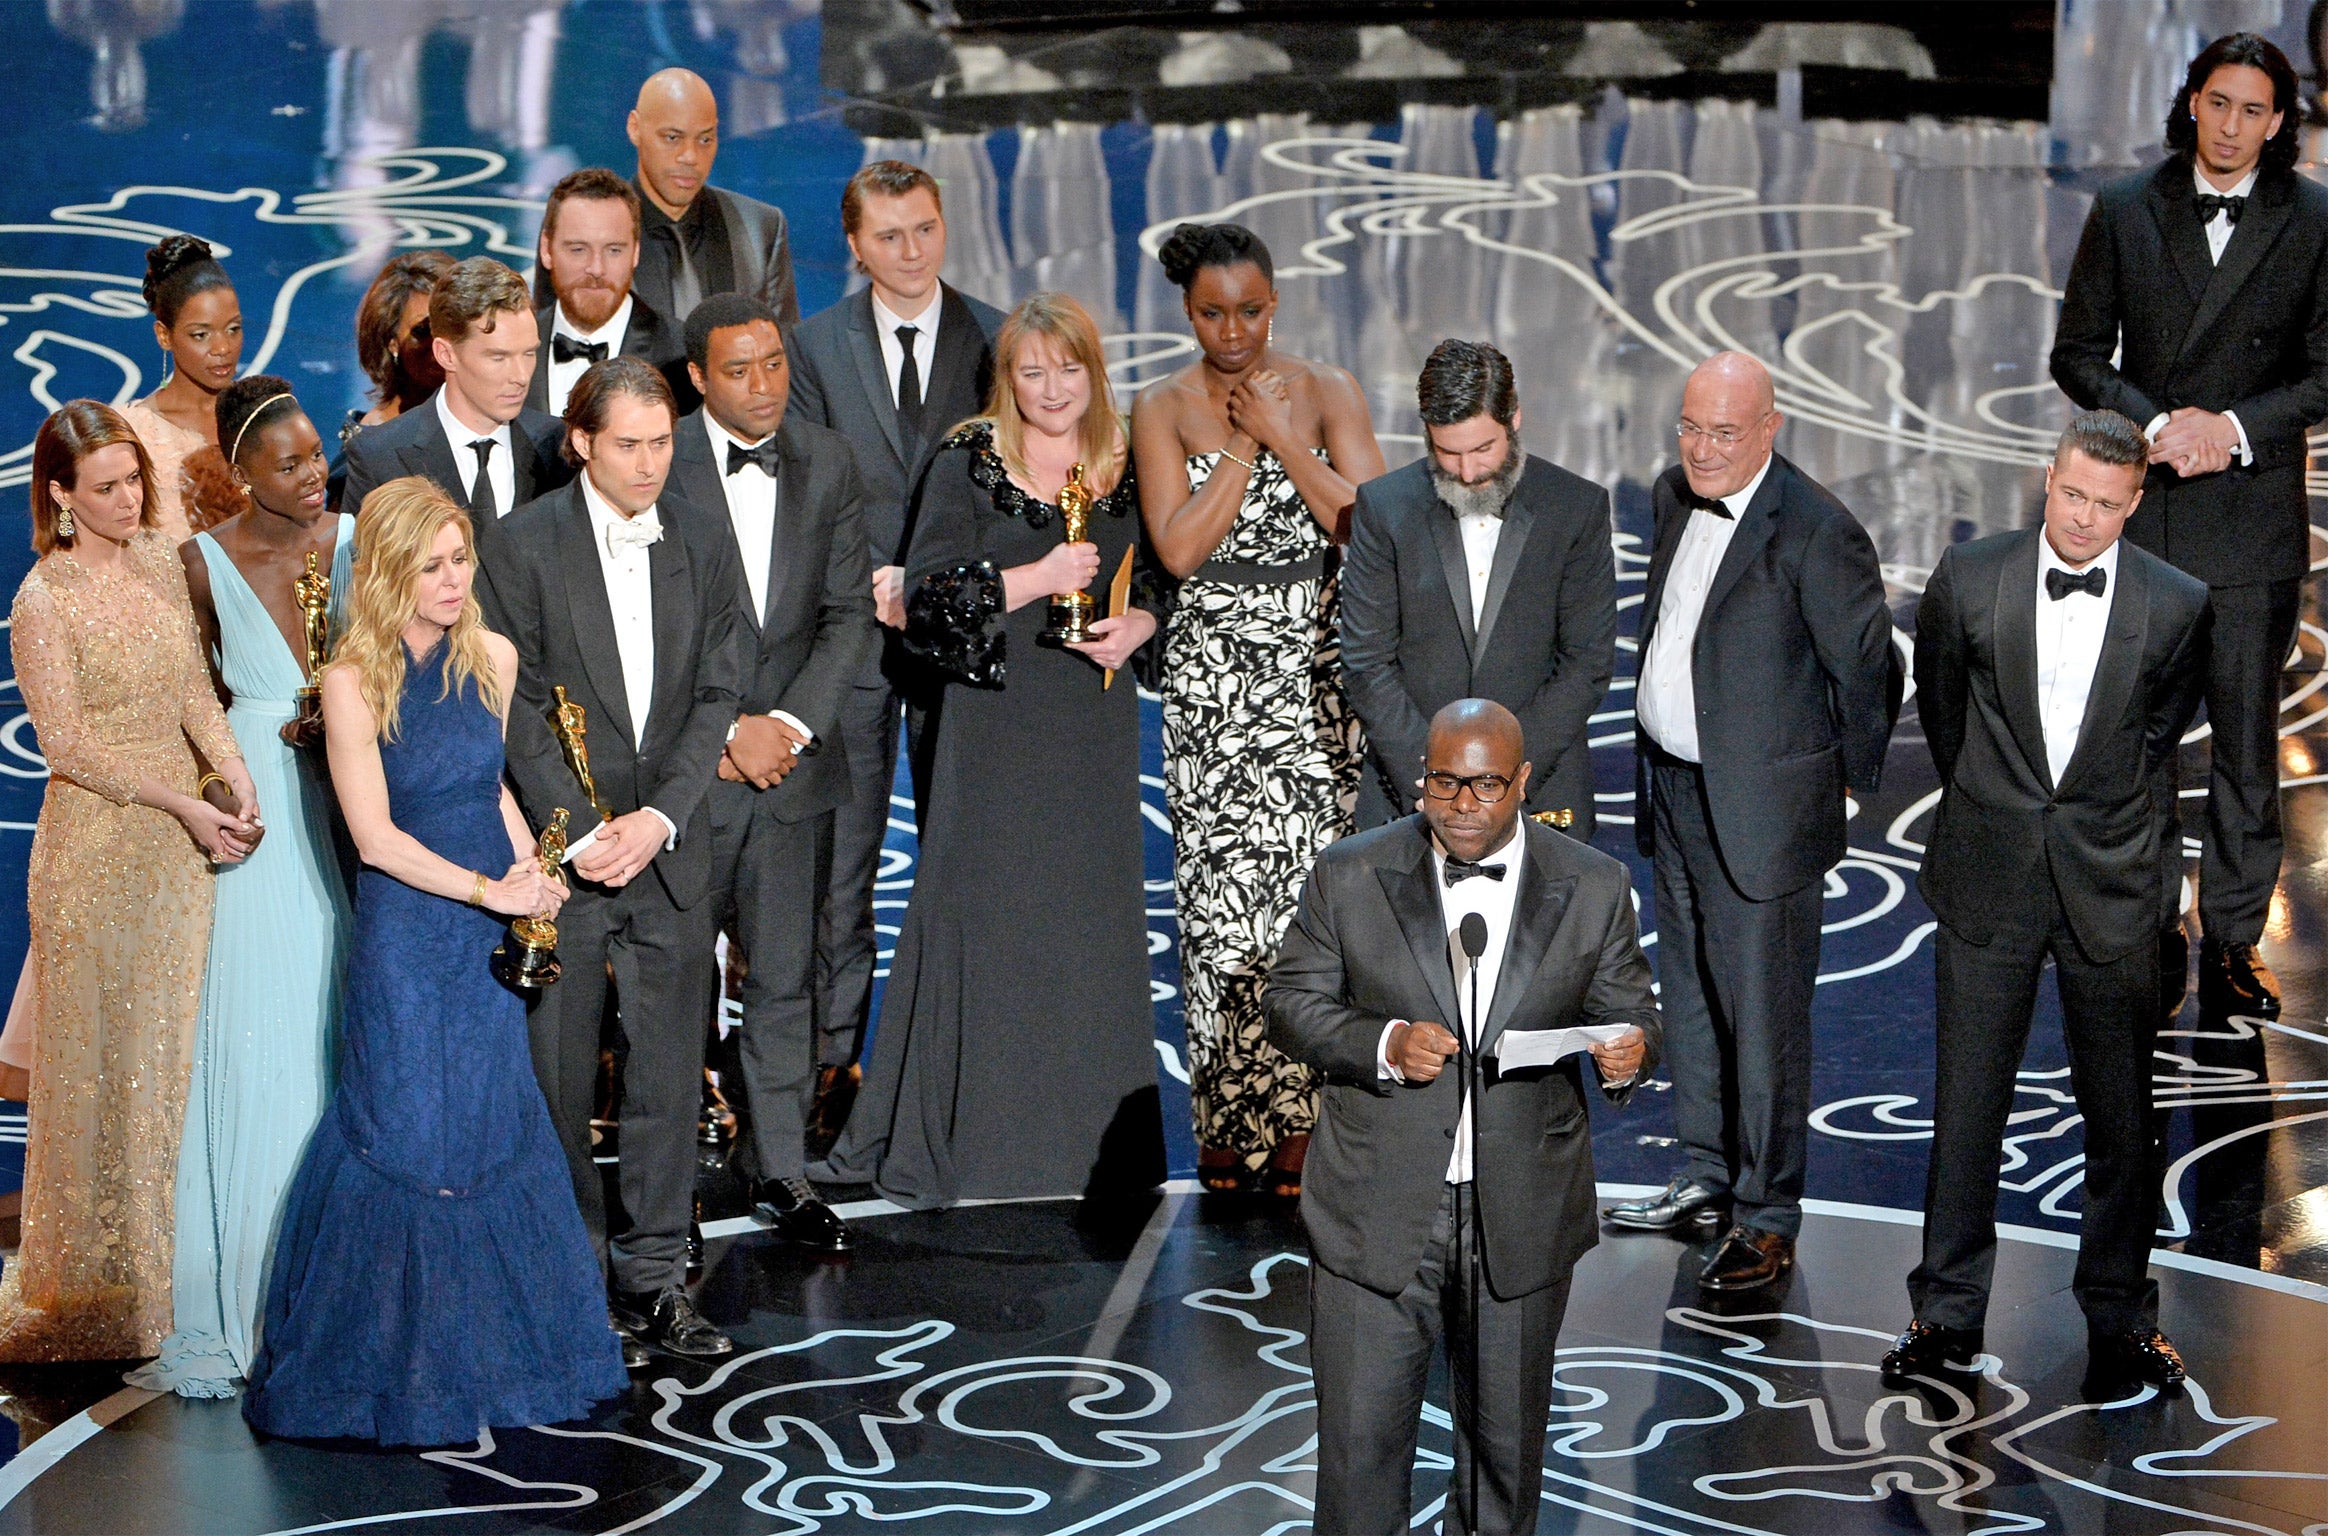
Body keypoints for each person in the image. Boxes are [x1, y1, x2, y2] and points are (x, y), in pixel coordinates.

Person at [241, 477, 627, 1445]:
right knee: (406, 1135)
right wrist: (485, 890)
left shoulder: (491, 658)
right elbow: (374, 839)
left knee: (489, 1132)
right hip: (408, 941)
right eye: (434, 564)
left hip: (484, 938)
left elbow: (486, 789)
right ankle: (390, 1375)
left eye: (462, 560)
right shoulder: (348, 683)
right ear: (386, 571)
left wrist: (529, 875)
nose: (455, 580)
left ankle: (488, 1366)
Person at [1265, 699, 1658, 1536]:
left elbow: (1633, 1011)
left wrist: (1632, 1053)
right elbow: (1290, 1004)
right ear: (1421, 781)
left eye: (1484, 784)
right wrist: (1384, 1041)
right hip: (1376, 1206)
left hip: (1519, 1213)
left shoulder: (1592, 883)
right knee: (1358, 1461)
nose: (1463, 804)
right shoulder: (1351, 872)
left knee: (1504, 1467)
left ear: (1521, 782)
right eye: (1445, 782)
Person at [813, 293, 1168, 1209]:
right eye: (1032, 371)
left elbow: (1168, 577)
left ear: (1095, 369)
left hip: (1088, 725)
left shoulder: (1129, 459)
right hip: (993, 722)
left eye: (1069, 368)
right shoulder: (970, 459)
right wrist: (1037, 578)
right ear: (1008, 380)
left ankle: (1086, 1147)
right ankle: (973, 1143)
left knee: (1083, 919)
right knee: (985, 913)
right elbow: (924, 598)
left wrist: (1138, 626)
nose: (1054, 389)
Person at [1886, 410, 2209, 1392]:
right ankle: (1944, 1315)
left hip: (2111, 883)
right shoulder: (1969, 578)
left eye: (2108, 505)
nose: (2085, 519)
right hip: (1989, 872)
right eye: (2074, 495)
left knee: (2121, 1120)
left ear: (2135, 502)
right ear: (2047, 479)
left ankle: (2118, 1317)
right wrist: (1999, 805)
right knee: (1966, 1107)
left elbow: (2161, 738)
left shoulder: (2177, 602)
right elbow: (1944, 712)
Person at [1601, 351, 1900, 1292]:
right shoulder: (1670, 495)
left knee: (1765, 1023)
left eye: (1724, 432)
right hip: (1675, 791)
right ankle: (1705, 1176)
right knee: (1688, 995)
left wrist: (1838, 792)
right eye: (1690, 428)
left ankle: (1767, 1214)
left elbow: (1870, 674)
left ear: (1772, 427)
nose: (1701, 449)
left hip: (1764, 813)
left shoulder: (1819, 532)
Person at [2050, 31, 2328, 1020]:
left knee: (2248, 747)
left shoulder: (2314, 218)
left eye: (2254, 110)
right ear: (2193, 102)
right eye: (2219, 103)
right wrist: (2162, 423)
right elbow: (2078, 353)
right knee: (2140, 744)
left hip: (2252, 521)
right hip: (2154, 512)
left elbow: (2326, 370)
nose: (2232, 126)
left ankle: (2238, 938)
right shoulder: (2130, 209)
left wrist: (2237, 429)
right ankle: (2149, 928)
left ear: (2280, 121)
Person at [482, 356, 746, 1360]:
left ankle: (657, 1282)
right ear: (581, 442)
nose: (648, 464)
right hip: (566, 860)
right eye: (627, 444)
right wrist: (586, 827)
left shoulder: (704, 534)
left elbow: (719, 693)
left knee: (669, 1079)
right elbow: (511, 697)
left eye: (663, 443)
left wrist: (663, 818)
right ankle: (574, 1286)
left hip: (670, 854)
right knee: (557, 1076)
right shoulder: (522, 546)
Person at [1131, 220, 1385, 1198]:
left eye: (1249, 310)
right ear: (1186, 312)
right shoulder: (1161, 409)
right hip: (1213, 689)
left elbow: (1368, 524)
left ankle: (1301, 1123)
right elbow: (1181, 551)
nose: (1232, 330)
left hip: (1312, 681)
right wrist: (1241, 441)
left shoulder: (1328, 393)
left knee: (1309, 908)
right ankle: (1229, 1119)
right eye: (1210, 312)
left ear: (1275, 302)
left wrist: (1285, 434)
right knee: (1220, 917)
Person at [0, 401, 257, 1362]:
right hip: (96, 853)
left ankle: (173, 1277)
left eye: (134, 480)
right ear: (59, 496)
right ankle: (94, 1285)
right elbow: (67, 748)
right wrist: (184, 803)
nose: (127, 500)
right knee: (101, 1071)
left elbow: (196, 690)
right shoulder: (42, 600)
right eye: (103, 488)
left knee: (171, 1061)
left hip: (174, 854)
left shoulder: (156, 563)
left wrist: (232, 773)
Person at [127, 380, 354, 1399]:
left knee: (343, 1030)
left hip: (357, 808)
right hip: (262, 816)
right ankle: (261, 1294)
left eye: (317, 457)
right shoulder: (199, 564)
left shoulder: (356, 543)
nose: (312, 477)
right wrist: (222, 779)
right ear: (241, 472)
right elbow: (191, 703)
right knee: (265, 1040)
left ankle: (348, 1294)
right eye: (289, 464)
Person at [786, 159, 1005, 1152]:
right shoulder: (814, 347)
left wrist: (937, 582)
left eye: (924, 230)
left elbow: (1018, 493)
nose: (910, 251)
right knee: (845, 867)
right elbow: (804, 491)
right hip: (860, 647)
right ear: (854, 245)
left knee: (970, 855)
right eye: (889, 236)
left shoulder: (999, 340)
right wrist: (874, 576)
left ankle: (969, 1064)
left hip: (964, 642)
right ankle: (835, 1064)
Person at [667, 293, 876, 1247]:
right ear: (699, 378)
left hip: (791, 771)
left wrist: (786, 725)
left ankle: (781, 1170)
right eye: (738, 371)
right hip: (684, 776)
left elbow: (845, 615)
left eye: (775, 365)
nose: (762, 387)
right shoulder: (656, 459)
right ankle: (664, 1176)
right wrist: (723, 735)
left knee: (787, 978)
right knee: (670, 981)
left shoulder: (829, 460)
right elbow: (646, 632)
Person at [1341, 339, 1616, 834]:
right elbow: (1366, 663)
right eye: (1448, 452)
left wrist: (1501, 778)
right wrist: (1437, 782)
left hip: (1541, 794)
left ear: (1514, 419)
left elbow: (1587, 664)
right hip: (1413, 798)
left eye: (1482, 449)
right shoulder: (1385, 508)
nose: (1467, 472)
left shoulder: (1576, 508)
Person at [341, 256, 571, 569]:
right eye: (498, 357)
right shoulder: (380, 459)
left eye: (528, 353)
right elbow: (366, 592)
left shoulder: (557, 447)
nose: (520, 375)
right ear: (446, 354)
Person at [553, 68, 796, 329]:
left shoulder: (760, 227)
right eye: (672, 138)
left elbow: (782, 354)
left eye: (705, 139)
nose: (690, 156)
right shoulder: (579, 226)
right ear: (634, 128)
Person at [526, 168, 689, 420]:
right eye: (578, 249)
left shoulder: (683, 356)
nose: (596, 269)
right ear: (547, 250)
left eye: (613, 250)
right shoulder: (513, 349)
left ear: (635, 252)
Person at [122, 236, 243, 543]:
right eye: (201, 334)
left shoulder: (263, 412)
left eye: (233, 329)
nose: (223, 348)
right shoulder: (133, 435)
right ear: (164, 335)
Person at [335, 249, 455, 495]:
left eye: (451, 325)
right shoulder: (368, 451)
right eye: (424, 331)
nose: (440, 344)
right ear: (391, 342)